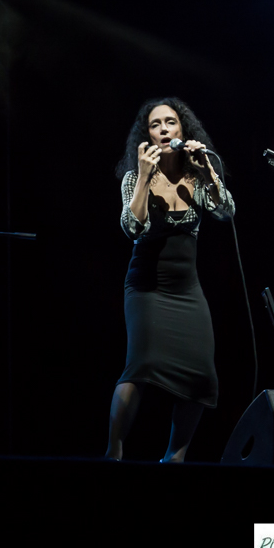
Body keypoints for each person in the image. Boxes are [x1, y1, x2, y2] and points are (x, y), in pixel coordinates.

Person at [105, 97, 234, 462]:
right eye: (155, 124)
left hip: (187, 290)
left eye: (170, 122)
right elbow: (133, 228)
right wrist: (145, 177)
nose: (163, 129)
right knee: (141, 365)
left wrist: (209, 171)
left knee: (202, 376)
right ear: (146, 135)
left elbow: (226, 212)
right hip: (146, 287)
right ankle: (113, 450)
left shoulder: (196, 175)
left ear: (183, 130)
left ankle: (175, 456)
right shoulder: (135, 177)